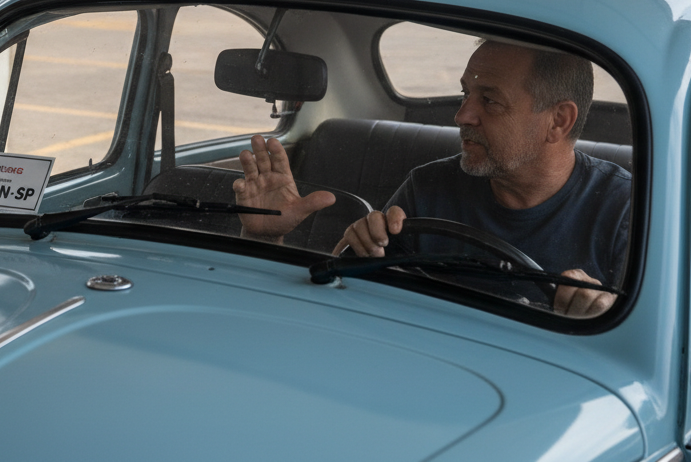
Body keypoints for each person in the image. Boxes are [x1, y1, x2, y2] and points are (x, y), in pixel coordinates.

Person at [234, 40, 631, 318]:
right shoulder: (428, 187)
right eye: (465, 95)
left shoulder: (628, 211)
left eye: (490, 101)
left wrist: (606, 313)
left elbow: (656, 348)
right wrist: (265, 238)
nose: (462, 115)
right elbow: (344, 305)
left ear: (558, 120)